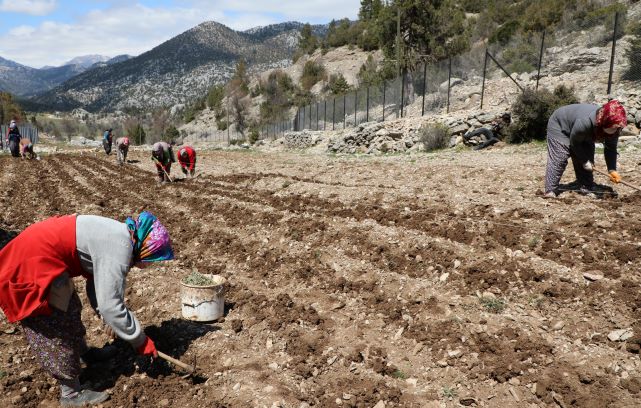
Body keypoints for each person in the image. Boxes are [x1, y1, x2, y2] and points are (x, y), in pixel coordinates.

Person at [0, 212, 174, 407]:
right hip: (29, 267)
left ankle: (84, 353)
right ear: (146, 248)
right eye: (150, 261)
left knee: (69, 307)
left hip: (44, 257)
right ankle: (70, 394)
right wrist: (139, 340)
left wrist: (106, 316)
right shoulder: (120, 249)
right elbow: (111, 306)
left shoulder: (121, 235)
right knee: (55, 326)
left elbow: (96, 282)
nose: (146, 266)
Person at [544, 100, 626, 198]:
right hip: (560, 126)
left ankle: (586, 187)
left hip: (582, 133)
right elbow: (574, 144)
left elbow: (611, 148)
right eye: (613, 128)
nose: (616, 130)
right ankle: (550, 190)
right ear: (604, 121)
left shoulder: (615, 128)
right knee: (559, 157)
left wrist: (612, 170)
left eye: (618, 128)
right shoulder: (585, 121)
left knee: (587, 156)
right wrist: (584, 161)